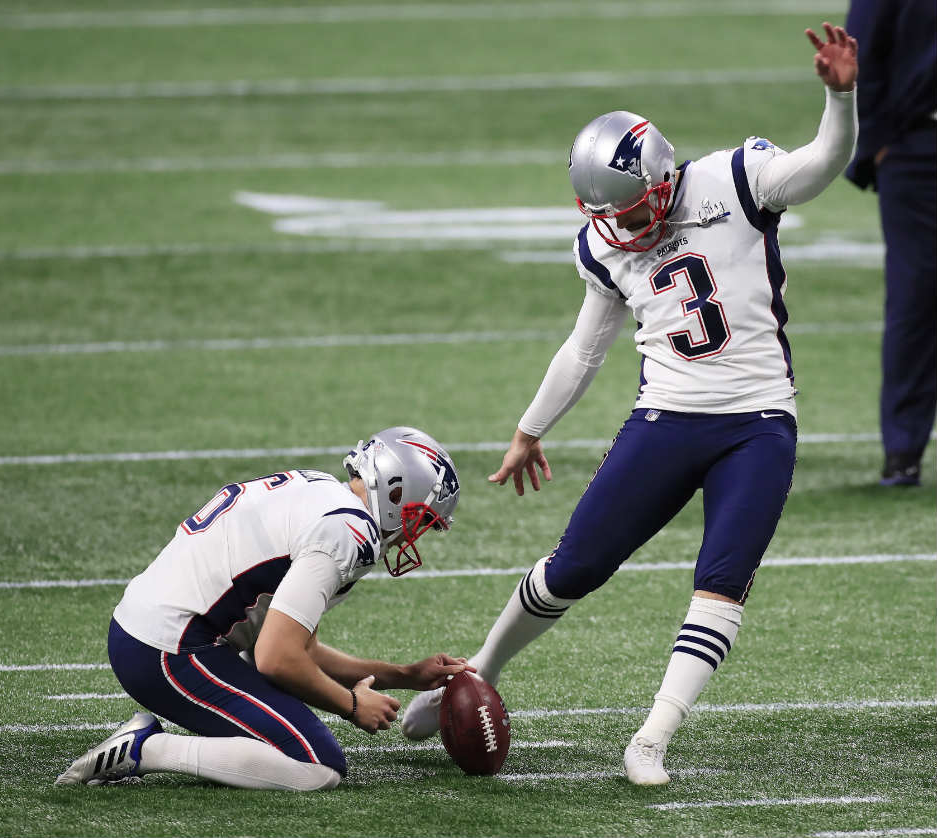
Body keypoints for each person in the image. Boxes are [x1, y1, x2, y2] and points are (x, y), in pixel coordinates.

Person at [401, 24, 859, 786]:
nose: (623, 227)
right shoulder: (603, 242)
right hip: (666, 420)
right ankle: (476, 671)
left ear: (662, 175)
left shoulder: (736, 180)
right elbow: (584, 348)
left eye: (633, 208)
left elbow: (824, 161)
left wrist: (838, 96)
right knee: (574, 564)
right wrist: (529, 429)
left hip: (757, 424)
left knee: (722, 577)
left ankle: (651, 737)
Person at [56, 426, 468, 791]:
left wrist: (404, 676)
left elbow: (298, 650)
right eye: (423, 519)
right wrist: (352, 706)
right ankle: (146, 749)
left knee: (295, 732)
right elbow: (275, 658)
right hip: (167, 648)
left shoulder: (321, 491)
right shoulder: (349, 531)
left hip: (147, 632)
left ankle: (149, 743)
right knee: (317, 765)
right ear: (398, 493)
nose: (416, 533)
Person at [843, 0, 936, 487]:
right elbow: (859, 48)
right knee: (915, 295)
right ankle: (903, 452)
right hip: (916, 147)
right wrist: (878, 141)